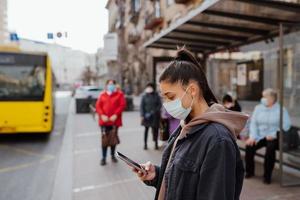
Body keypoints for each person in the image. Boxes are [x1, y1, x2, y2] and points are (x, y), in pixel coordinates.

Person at [133, 48, 248, 200]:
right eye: (164, 98)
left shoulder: (218, 140)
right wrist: (157, 175)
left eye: (170, 96)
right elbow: (184, 180)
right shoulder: (185, 127)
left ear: (192, 90)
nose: (166, 103)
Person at [245, 88, 291, 184]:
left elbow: (286, 125)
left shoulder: (281, 109)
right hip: (259, 136)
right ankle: (249, 171)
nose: (263, 99)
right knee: (249, 146)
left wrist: (274, 134)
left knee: (270, 149)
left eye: (265, 97)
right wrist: (252, 136)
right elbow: (253, 123)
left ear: (272, 98)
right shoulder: (258, 108)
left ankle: (267, 176)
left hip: (273, 136)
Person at [95, 79, 126, 166]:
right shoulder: (102, 94)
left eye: (112, 84)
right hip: (104, 122)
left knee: (113, 140)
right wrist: (102, 115)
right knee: (104, 140)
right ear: (106, 85)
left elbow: (122, 105)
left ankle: (112, 156)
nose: (110, 86)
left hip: (114, 122)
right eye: (109, 84)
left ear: (115, 85)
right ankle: (103, 158)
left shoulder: (119, 94)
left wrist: (115, 115)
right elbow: (98, 106)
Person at [140, 83, 162, 150]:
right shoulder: (144, 96)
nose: (149, 88)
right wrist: (142, 115)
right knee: (146, 130)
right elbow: (142, 106)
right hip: (146, 117)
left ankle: (156, 144)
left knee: (155, 130)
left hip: (155, 116)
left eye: (150, 87)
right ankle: (145, 144)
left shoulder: (157, 96)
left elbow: (159, 105)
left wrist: (154, 112)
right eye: (148, 87)